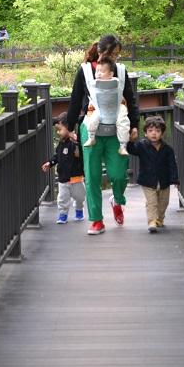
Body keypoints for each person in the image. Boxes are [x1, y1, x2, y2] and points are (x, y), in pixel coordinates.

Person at [64, 34, 139, 235]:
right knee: (92, 177)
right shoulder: (85, 71)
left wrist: (134, 125)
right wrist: (70, 127)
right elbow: (74, 100)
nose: (115, 57)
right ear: (100, 51)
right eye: (111, 53)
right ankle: (96, 220)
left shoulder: (121, 71)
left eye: (117, 54)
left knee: (118, 174)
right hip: (91, 129)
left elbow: (131, 100)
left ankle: (117, 199)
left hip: (116, 130)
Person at [127, 115, 179, 233]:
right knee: (152, 202)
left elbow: (172, 165)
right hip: (148, 180)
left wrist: (175, 179)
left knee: (163, 203)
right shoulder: (141, 146)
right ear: (145, 133)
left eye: (157, 131)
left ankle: (160, 218)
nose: (154, 133)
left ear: (162, 133)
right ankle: (151, 221)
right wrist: (130, 141)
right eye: (150, 131)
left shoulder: (167, 149)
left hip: (164, 181)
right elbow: (131, 150)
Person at [81, 58, 131, 157]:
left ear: (111, 74)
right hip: (100, 108)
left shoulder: (116, 81)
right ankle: (91, 137)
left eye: (102, 71)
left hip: (117, 107)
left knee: (123, 122)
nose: (99, 74)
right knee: (92, 119)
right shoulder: (94, 83)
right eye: (97, 71)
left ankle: (123, 145)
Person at [41, 120, 85, 224]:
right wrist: (50, 163)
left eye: (60, 129)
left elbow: (80, 155)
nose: (58, 132)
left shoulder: (76, 142)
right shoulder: (61, 144)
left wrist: (76, 141)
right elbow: (57, 156)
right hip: (63, 178)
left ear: (68, 129)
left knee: (80, 196)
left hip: (76, 177)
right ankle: (63, 214)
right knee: (62, 198)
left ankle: (79, 210)